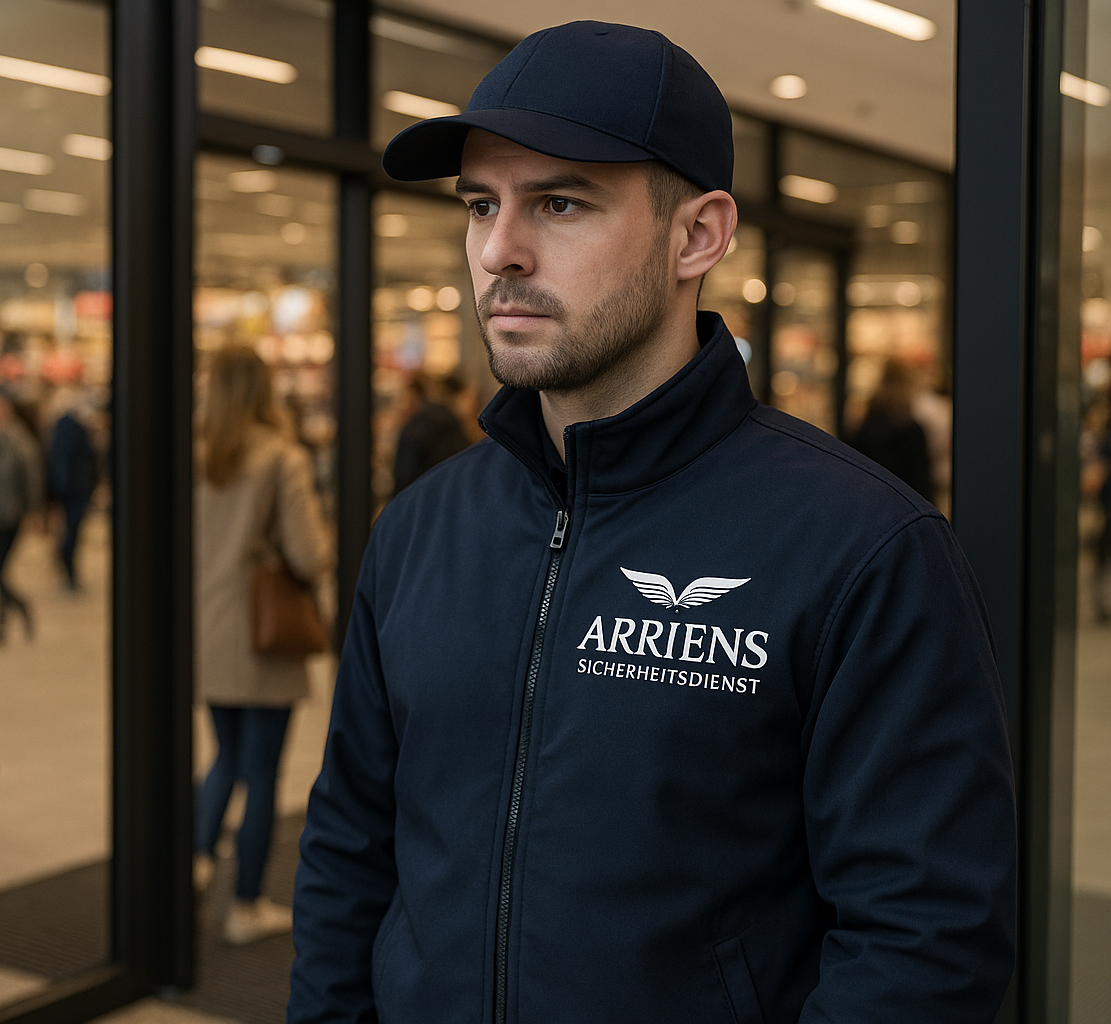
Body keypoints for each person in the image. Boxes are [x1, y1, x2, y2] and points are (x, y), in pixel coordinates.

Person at [289, 22, 1015, 1024]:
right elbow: (349, 854)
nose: (499, 250)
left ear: (699, 235)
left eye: (560, 201)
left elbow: (926, 938)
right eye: (480, 205)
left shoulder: (860, 547)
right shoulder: (421, 529)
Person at [195, 346, 333, 945]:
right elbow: (311, 554)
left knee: (225, 756)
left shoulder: (195, 456)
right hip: (262, 638)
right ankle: (246, 904)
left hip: (208, 633)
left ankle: (197, 862)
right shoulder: (280, 457)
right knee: (262, 772)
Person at [0, 390, 43, 642]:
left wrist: (33, 511)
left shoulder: (19, 440)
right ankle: (1, 626)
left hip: (10, 514)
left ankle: (19, 610)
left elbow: (32, 477)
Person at [851, 359, 934, 503]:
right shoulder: (911, 429)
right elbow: (920, 480)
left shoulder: (866, 422)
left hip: (870, 500)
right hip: (903, 504)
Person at [47, 390, 100, 591]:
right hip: (74, 490)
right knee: (71, 532)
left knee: (71, 531)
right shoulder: (70, 427)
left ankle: (68, 569)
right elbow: (65, 460)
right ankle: (67, 569)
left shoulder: (70, 427)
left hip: (74, 489)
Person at [391, 372, 473, 495]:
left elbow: (404, 476)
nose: (399, 405)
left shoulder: (415, 428)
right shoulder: (450, 421)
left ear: (414, 396)